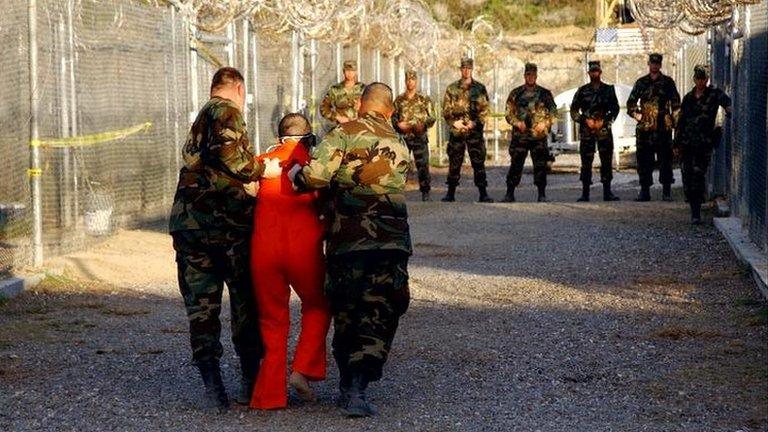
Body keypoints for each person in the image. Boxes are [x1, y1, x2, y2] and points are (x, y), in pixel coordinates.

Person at [289, 83, 412, 418]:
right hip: (391, 240)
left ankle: (349, 383)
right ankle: (360, 381)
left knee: (348, 308)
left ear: (360, 104)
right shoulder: (400, 142)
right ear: (389, 110)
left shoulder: (342, 133)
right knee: (383, 308)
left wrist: (295, 173)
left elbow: (315, 177)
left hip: (350, 239)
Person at [168, 67, 280, 412]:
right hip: (227, 227)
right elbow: (232, 155)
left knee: (202, 309)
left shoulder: (202, 117)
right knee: (245, 304)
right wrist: (264, 171)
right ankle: (249, 380)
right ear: (239, 88)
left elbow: (215, 160)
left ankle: (213, 386)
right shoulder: (226, 111)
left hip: (191, 226)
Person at [249, 114, 331, 409]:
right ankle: (302, 369)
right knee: (319, 305)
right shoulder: (312, 165)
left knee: (272, 320)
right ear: (307, 137)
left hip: (264, 250)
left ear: (279, 136)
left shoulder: (262, 161)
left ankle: (269, 396)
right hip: (303, 248)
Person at [673, 65, 731, 224]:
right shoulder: (688, 98)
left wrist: (729, 110)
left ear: (707, 79)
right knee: (688, 177)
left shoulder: (713, 94)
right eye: (698, 79)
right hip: (687, 144)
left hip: (703, 145)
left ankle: (696, 214)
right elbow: (681, 122)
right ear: (694, 79)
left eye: (703, 79)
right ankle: (694, 207)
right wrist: (676, 144)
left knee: (698, 176)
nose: (700, 82)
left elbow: (727, 103)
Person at [626, 53, 681, 202]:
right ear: (648, 64)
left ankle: (666, 191)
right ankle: (645, 191)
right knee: (644, 161)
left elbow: (676, 104)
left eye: (657, 63)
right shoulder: (641, 82)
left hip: (663, 127)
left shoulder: (668, 82)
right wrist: (637, 115)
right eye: (652, 63)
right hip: (646, 128)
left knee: (665, 160)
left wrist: (676, 123)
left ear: (660, 65)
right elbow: (630, 104)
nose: (655, 66)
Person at [441, 57, 493, 202]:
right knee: (454, 162)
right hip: (457, 132)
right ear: (460, 69)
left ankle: (483, 193)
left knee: (478, 162)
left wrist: (475, 123)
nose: (466, 71)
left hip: (474, 132)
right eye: (464, 68)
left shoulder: (479, 88)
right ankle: (450, 193)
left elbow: (485, 109)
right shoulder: (452, 89)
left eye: (468, 68)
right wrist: (454, 122)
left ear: (472, 69)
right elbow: (446, 110)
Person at [504, 62, 558, 202]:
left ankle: (542, 194)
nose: (530, 77)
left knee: (540, 165)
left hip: (538, 136)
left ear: (536, 76)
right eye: (528, 75)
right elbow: (508, 114)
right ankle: (510, 193)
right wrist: (517, 123)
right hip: (520, 136)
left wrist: (544, 124)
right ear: (524, 76)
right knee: (516, 164)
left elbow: (553, 113)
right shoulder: (515, 93)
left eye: (533, 75)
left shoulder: (544, 94)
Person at [570, 60, 621, 202]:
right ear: (589, 73)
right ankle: (585, 193)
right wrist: (584, 120)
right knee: (586, 162)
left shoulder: (608, 90)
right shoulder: (582, 91)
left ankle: (607, 191)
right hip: (587, 131)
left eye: (597, 71)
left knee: (606, 161)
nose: (595, 73)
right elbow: (574, 111)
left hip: (604, 130)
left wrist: (605, 121)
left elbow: (615, 109)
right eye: (592, 71)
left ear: (600, 72)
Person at [392, 69, 437, 201]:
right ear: (405, 81)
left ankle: (425, 191)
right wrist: (398, 125)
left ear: (416, 81)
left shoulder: (424, 99)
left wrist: (423, 125)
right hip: (404, 137)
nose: (410, 82)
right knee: (400, 165)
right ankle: (398, 192)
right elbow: (393, 117)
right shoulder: (399, 100)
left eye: (412, 80)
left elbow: (432, 117)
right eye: (408, 80)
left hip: (419, 136)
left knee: (422, 165)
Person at [320, 60, 365, 125]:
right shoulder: (335, 89)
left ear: (356, 72)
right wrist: (337, 117)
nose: (349, 73)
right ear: (343, 71)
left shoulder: (363, 89)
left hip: (359, 126)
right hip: (342, 126)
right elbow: (324, 108)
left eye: (352, 71)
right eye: (347, 70)